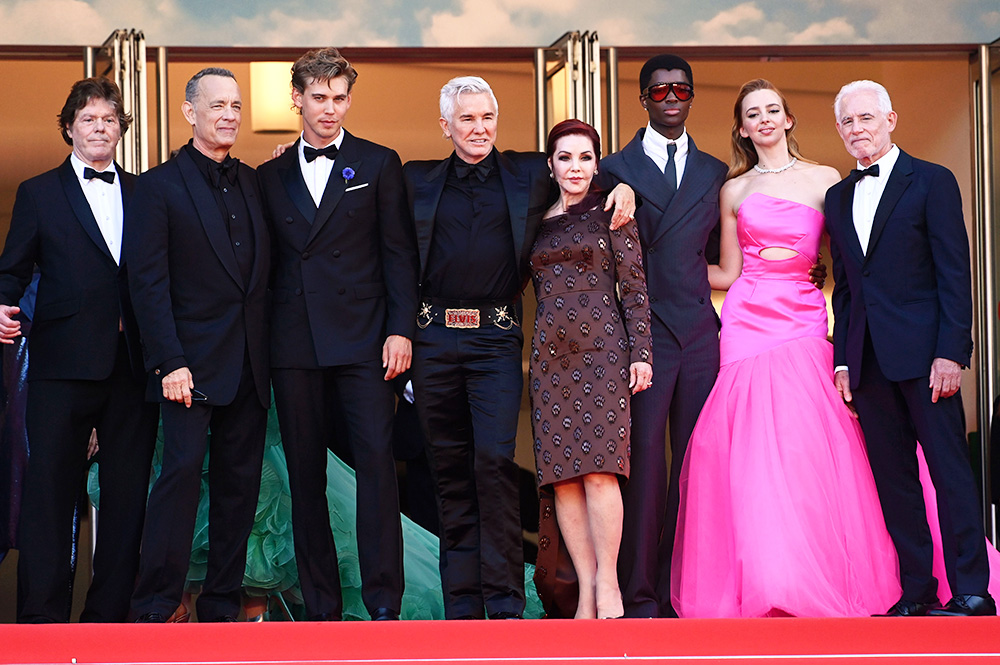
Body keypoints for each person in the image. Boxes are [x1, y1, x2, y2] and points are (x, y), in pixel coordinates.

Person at [403, 76, 634, 620]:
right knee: (449, 471)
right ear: (446, 125)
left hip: (495, 340)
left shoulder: (528, 171)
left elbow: (583, 162)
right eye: (466, 119)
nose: (478, 128)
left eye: (487, 117)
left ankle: (505, 604)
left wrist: (625, 187)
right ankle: (461, 605)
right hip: (434, 338)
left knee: (494, 465)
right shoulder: (416, 180)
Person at [671, 79, 901, 618]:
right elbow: (727, 271)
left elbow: (847, 268)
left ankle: (813, 573)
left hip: (801, 317)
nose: (765, 119)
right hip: (747, 321)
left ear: (789, 118)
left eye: (773, 109)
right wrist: (660, 270)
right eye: (754, 113)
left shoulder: (826, 180)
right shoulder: (734, 189)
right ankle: (763, 579)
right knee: (744, 453)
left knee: (807, 449)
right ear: (743, 128)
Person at [257, 47, 417, 622]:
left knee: (377, 469)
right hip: (294, 342)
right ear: (297, 99)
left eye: (340, 98)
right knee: (305, 479)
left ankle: (383, 605)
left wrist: (401, 331)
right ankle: (320, 608)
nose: (330, 109)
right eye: (319, 98)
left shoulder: (379, 162)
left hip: (366, 341)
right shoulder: (267, 176)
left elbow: (399, 255)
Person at [826, 80, 995, 617]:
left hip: (928, 360)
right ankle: (917, 591)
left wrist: (953, 351)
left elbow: (954, 274)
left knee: (949, 474)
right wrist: (844, 360)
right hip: (869, 363)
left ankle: (972, 589)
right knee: (895, 483)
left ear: (891, 119)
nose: (858, 129)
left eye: (866, 118)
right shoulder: (837, 197)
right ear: (839, 130)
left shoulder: (932, 181)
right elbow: (848, 289)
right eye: (848, 122)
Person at [0, 78, 159, 623]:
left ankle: (107, 622)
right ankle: (40, 624)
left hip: (132, 368)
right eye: (89, 119)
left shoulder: (146, 193)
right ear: (69, 128)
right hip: (61, 366)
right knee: (49, 497)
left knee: (127, 498)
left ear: (121, 130)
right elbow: (12, 271)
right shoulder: (37, 192)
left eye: (109, 120)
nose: (99, 128)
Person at [126, 67, 271, 623]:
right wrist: (170, 360)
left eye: (236, 105)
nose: (229, 115)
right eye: (217, 105)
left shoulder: (256, 181)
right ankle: (155, 605)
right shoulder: (158, 186)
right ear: (189, 113)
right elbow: (148, 282)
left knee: (240, 492)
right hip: (186, 366)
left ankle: (220, 608)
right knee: (179, 483)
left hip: (249, 365)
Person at [597, 54, 727, 618]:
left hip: (700, 330)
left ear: (691, 96)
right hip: (641, 336)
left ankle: (687, 590)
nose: (671, 97)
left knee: (698, 464)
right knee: (646, 463)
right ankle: (641, 593)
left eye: (681, 89)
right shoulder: (611, 168)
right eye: (659, 90)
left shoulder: (715, 171)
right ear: (643, 99)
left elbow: (727, 257)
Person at [528, 119, 652, 620]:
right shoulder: (533, 218)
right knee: (563, 479)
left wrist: (641, 353)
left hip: (604, 355)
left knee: (601, 474)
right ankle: (583, 588)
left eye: (584, 157)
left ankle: (609, 584)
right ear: (551, 165)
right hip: (549, 360)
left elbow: (636, 287)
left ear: (596, 164)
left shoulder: (612, 210)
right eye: (565, 157)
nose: (574, 167)